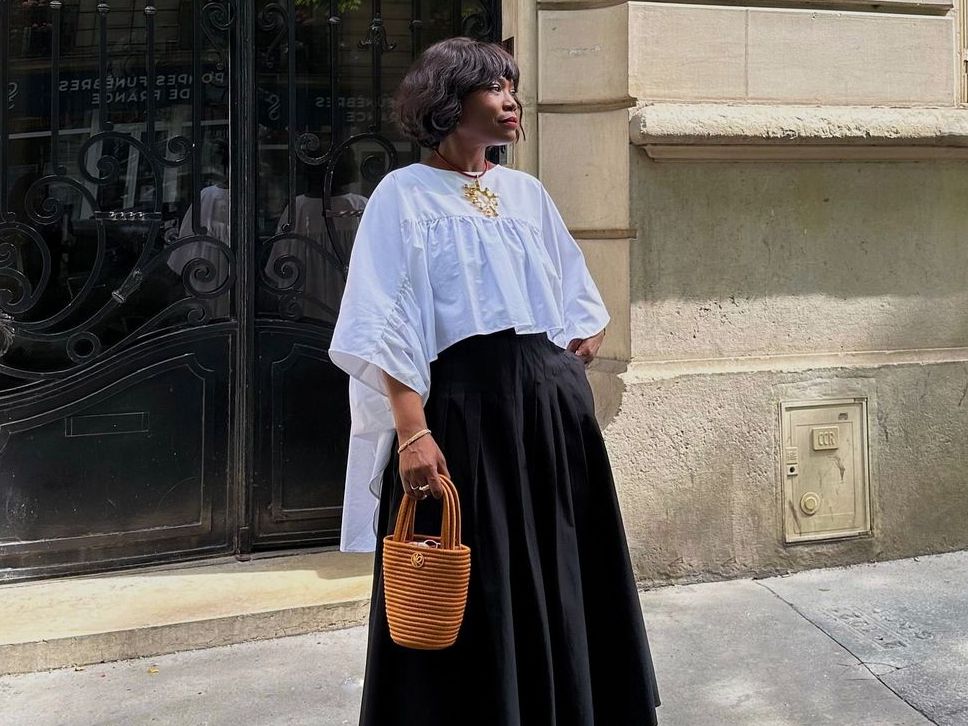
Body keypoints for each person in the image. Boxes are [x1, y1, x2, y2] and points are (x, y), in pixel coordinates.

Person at [328, 36, 661, 726]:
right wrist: (412, 431)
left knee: (562, 567)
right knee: (476, 585)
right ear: (450, 104)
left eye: (514, 87)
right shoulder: (404, 196)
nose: (512, 102)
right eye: (496, 89)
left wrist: (578, 345)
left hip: (547, 412)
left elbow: (576, 296)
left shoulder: (525, 192)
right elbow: (386, 323)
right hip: (461, 414)